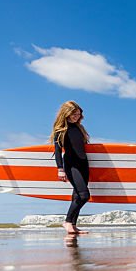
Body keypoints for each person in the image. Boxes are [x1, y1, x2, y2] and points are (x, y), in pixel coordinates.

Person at [50, 101, 91, 235]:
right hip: (71, 164)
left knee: (77, 196)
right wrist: (60, 169)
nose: (76, 116)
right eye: (74, 114)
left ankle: (73, 225)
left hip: (84, 164)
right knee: (84, 195)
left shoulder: (80, 128)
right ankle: (67, 222)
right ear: (66, 113)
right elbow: (57, 151)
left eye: (78, 114)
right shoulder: (60, 130)